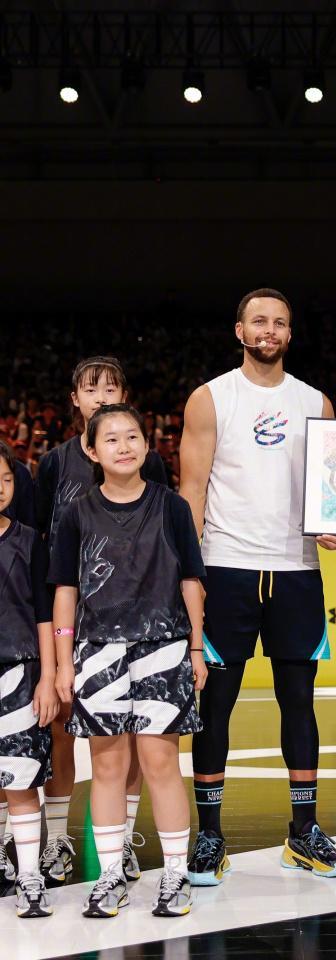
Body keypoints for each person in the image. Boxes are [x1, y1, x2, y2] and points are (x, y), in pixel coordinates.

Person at [179, 288, 336, 885]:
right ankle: (209, 835)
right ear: (239, 330)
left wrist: (335, 523)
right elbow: (192, 490)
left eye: (279, 322)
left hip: (297, 570)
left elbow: (331, 487)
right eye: (259, 321)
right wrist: (189, 575)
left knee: (299, 703)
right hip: (226, 568)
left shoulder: (316, 402)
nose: (269, 330)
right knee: (216, 705)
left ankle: (304, 833)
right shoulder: (210, 398)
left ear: (290, 333)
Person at [49, 404, 206, 918]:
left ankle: (176, 876)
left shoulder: (172, 507)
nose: (124, 445)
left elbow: (191, 581)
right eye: (111, 439)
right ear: (92, 451)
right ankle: (110, 875)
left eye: (132, 436)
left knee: (161, 764)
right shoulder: (76, 513)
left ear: (147, 443)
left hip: (164, 648)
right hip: (97, 653)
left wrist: (197, 648)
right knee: (107, 766)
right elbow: (66, 591)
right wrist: (66, 661)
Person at [35, 356, 167, 885]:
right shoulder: (54, 464)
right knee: (61, 729)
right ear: (75, 400)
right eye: (91, 389)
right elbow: (39, 542)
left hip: (133, 620)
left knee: (128, 736)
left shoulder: (146, 463)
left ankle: (125, 839)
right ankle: (58, 841)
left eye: (111, 388)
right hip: (72, 616)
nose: (102, 396)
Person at [0, 440, 59, 917]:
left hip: (20, 675)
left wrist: (48, 676)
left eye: (5, 479)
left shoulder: (29, 541)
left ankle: (30, 877)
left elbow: (45, 616)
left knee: (21, 781)